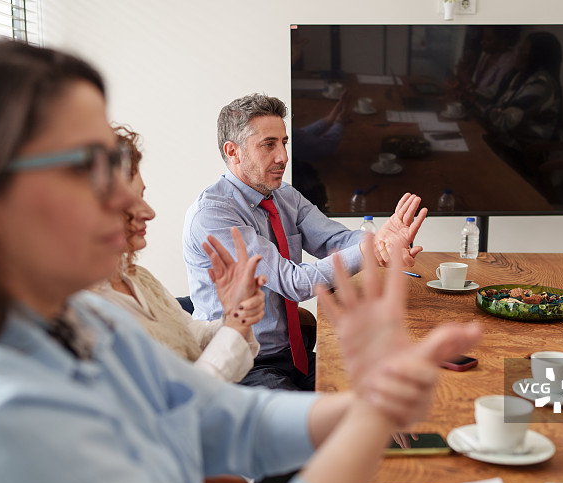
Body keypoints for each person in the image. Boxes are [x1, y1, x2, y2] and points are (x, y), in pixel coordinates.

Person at [0, 38, 480, 483]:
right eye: (88, 166)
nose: (135, 205)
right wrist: (369, 421)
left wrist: (374, 402)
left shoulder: (90, 318)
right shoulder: (1, 422)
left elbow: (221, 419)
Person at [183, 93, 428, 391]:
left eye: (284, 142)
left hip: (292, 355)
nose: (283, 157)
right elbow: (293, 282)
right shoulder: (214, 215)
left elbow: (335, 240)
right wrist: (371, 250)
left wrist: (383, 243)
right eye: (269, 145)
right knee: (338, 412)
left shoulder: (284, 195)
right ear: (233, 151)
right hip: (241, 365)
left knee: (387, 387)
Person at [91, 125, 264, 382]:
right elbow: (183, 396)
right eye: (129, 200)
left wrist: (235, 315)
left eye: (142, 196)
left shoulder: (138, 277)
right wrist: (236, 323)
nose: (149, 212)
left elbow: (193, 336)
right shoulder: (88, 312)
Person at [480, 31, 563, 172]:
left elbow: (504, 120)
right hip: (505, 142)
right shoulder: (522, 76)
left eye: (524, 51)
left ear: (538, 57)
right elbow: (499, 107)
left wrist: (480, 105)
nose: (518, 54)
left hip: (522, 153)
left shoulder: (541, 84)